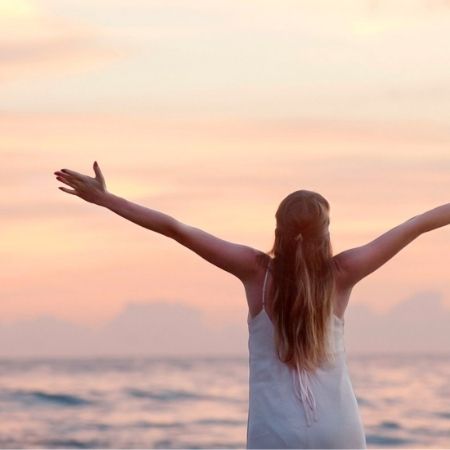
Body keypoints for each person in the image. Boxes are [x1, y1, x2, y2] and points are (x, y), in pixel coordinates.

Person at [54, 162, 450, 449]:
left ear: (277, 227)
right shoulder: (343, 272)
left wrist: (106, 200)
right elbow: (416, 223)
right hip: (339, 430)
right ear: (325, 232)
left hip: (275, 433)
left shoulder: (255, 272)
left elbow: (176, 229)